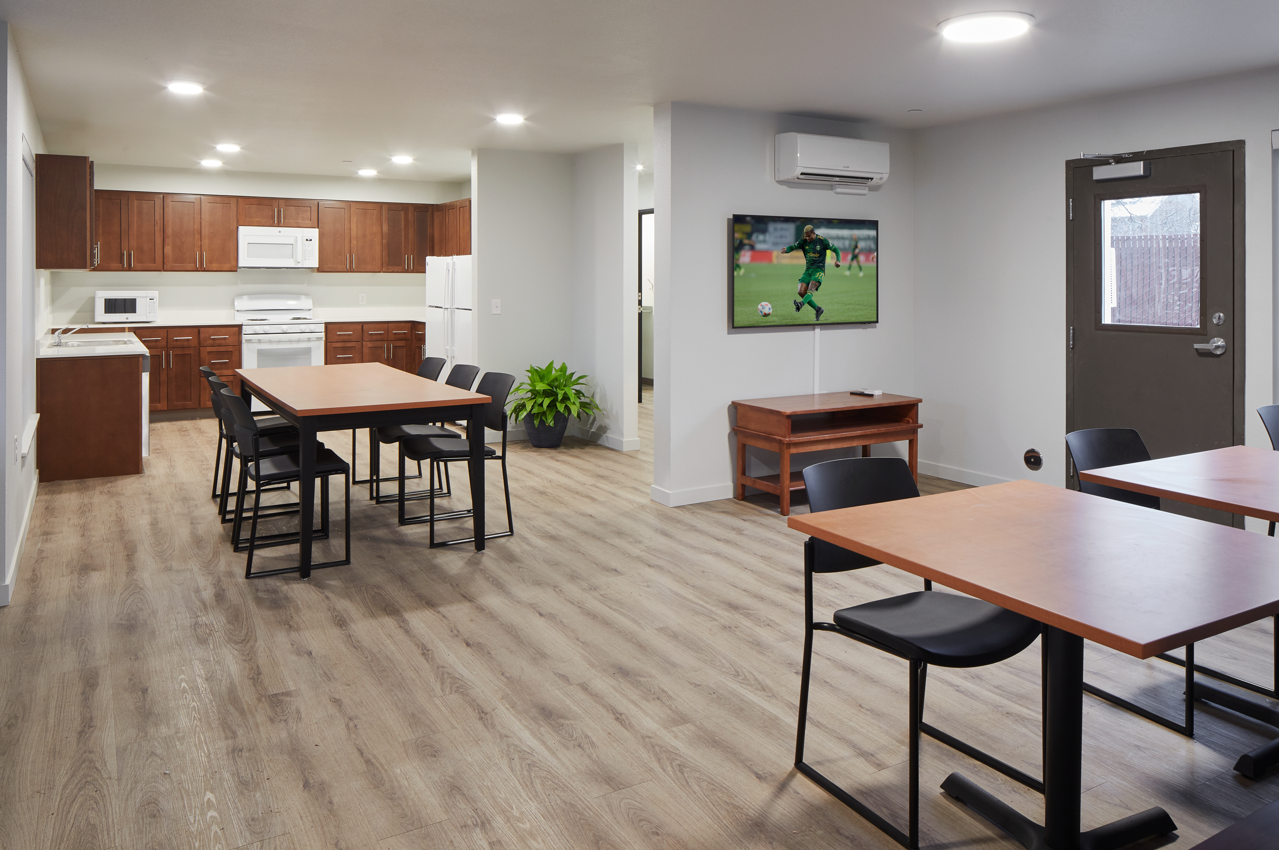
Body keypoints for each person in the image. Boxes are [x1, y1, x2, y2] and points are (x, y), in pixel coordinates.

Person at [782, 224, 839, 320]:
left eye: (809, 236)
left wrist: (838, 260)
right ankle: (818, 309)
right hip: (808, 270)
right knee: (801, 291)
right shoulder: (803, 240)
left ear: (813, 233)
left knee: (811, 289)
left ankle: (801, 304)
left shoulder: (822, 241)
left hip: (819, 270)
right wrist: (786, 249)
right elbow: (793, 247)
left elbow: (836, 250)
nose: (807, 238)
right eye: (806, 236)